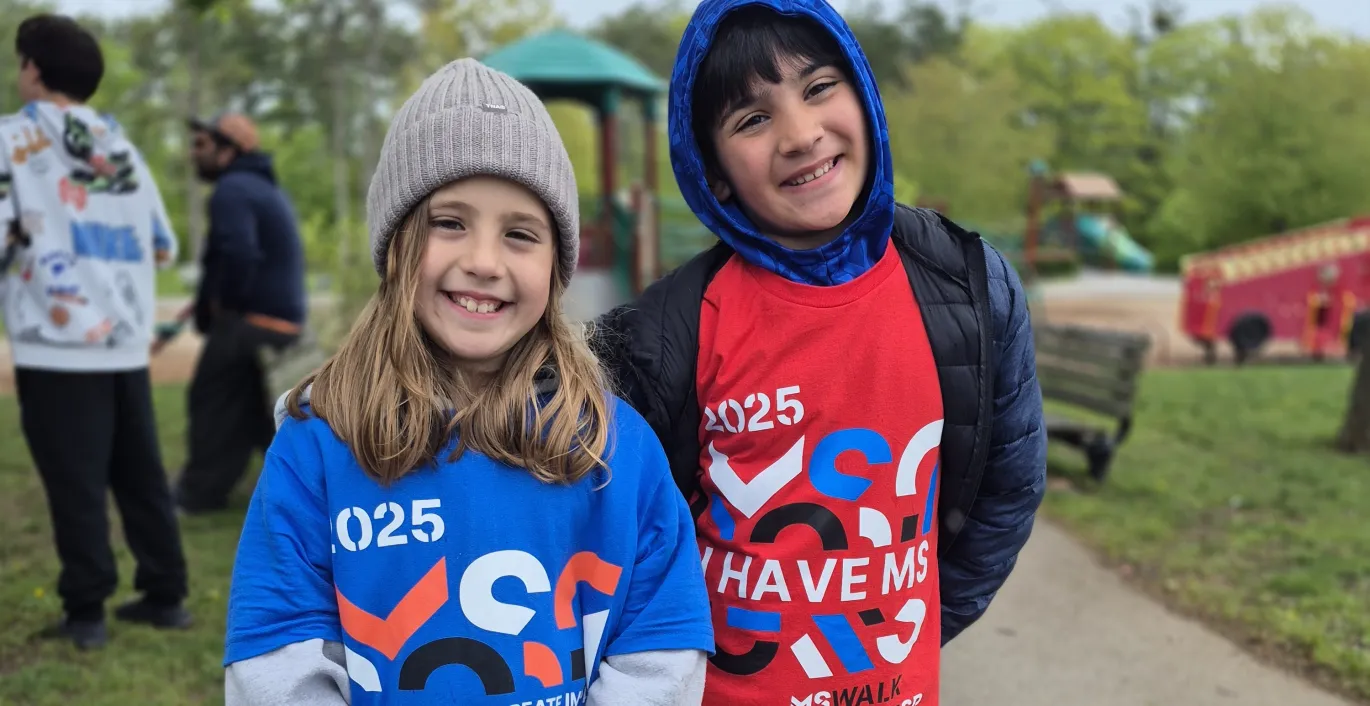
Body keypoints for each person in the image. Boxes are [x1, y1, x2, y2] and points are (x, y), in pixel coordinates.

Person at [591, 0, 1047, 703]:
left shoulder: (969, 286)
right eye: (752, 119)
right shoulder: (662, 335)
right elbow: (611, 549)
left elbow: (1007, 491)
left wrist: (919, 629)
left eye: (819, 88)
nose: (802, 135)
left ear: (863, 96)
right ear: (712, 173)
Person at [222, 59, 714, 705]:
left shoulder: (615, 448)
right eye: (449, 223)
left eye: (519, 234)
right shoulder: (317, 447)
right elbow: (277, 658)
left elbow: (660, 648)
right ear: (395, 245)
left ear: (555, 266)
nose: (482, 262)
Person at [0, 14, 191, 650]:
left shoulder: (9, 140)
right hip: (124, 339)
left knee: (75, 483)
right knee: (139, 474)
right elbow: (162, 246)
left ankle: (86, 612)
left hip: (55, 345)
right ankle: (167, 595)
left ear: (32, 69)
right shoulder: (121, 148)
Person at [173, 111, 307, 514]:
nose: (194, 153)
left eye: (202, 144)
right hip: (277, 322)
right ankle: (297, 487)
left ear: (227, 150)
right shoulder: (262, 188)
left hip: (250, 322)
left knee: (211, 404)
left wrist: (221, 306)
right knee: (253, 412)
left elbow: (239, 253)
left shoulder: (232, 189)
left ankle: (198, 497)